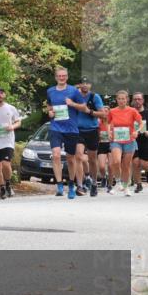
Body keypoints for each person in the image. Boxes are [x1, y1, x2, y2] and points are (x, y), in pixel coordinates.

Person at [45, 67, 90, 199]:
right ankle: (59, 185)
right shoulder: (50, 91)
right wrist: (50, 112)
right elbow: (49, 107)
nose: (61, 78)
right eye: (59, 76)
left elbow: (84, 107)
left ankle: (71, 184)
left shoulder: (73, 91)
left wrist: (72, 104)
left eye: (64, 75)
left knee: (71, 159)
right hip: (56, 127)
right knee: (56, 155)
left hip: (71, 129)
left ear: (67, 77)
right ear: (56, 77)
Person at [106, 90, 142, 196]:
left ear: (127, 99)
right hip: (116, 140)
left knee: (126, 165)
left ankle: (126, 187)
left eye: (123, 99)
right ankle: (118, 182)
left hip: (129, 140)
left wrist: (137, 131)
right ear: (116, 99)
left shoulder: (132, 110)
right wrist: (109, 132)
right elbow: (107, 123)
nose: (121, 101)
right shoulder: (112, 111)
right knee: (116, 161)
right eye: (119, 99)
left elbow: (140, 123)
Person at [76, 78, 107, 196]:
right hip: (78, 130)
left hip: (92, 130)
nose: (85, 85)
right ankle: (80, 185)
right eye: (82, 83)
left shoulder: (95, 97)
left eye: (87, 83)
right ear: (79, 85)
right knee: (78, 156)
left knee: (92, 159)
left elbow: (103, 114)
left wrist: (89, 111)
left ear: (90, 85)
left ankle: (94, 183)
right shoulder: (75, 96)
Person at [131, 91, 148, 193]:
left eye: (139, 99)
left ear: (143, 100)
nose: (137, 101)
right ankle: (138, 184)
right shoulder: (130, 112)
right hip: (133, 141)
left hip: (146, 141)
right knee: (135, 162)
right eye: (135, 99)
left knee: (144, 163)